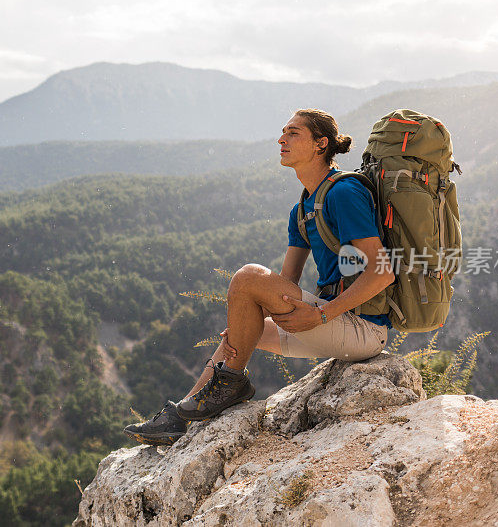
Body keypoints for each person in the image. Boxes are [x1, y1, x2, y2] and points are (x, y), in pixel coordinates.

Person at [123, 108, 395, 446]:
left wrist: (322, 312)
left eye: (293, 133)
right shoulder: (302, 210)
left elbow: (382, 273)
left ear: (320, 144)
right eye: (283, 132)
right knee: (235, 338)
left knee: (247, 275)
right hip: (334, 324)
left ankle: (232, 383)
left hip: (365, 330)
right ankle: (179, 418)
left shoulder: (343, 193)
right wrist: (246, 320)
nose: (281, 139)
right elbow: (284, 286)